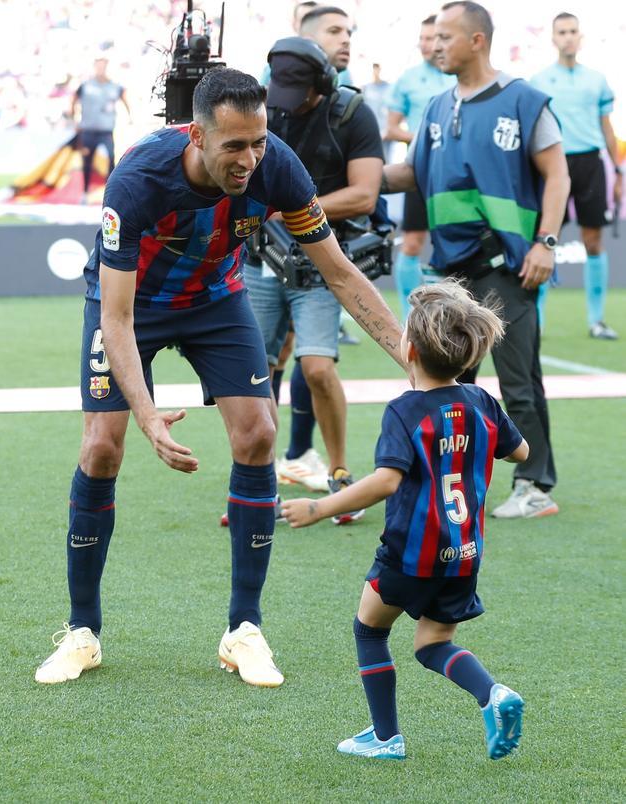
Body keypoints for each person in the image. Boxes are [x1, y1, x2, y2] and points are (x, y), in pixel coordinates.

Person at [34, 68, 403, 688]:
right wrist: (148, 416)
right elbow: (118, 318)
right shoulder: (139, 177)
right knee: (102, 446)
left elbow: (339, 273)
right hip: (131, 305)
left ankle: (244, 631)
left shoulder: (277, 167)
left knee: (258, 433)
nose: (250, 159)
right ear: (196, 136)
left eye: (257, 141)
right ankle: (81, 632)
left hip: (216, 299)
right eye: (234, 146)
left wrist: (409, 355)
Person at [282, 281, 529, 761]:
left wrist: (317, 509)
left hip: (411, 553)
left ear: (409, 349)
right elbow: (521, 452)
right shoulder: (481, 402)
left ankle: (385, 737)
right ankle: (492, 695)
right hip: (464, 554)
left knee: (370, 630)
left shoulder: (405, 411)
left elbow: (385, 482)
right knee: (433, 643)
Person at [382, 1, 570, 520]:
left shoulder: (524, 101)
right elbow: (410, 174)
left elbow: (558, 174)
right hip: (452, 267)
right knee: (451, 383)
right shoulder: (437, 106)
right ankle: (454, 482)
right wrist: (352, 179)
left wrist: (546, 244)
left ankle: (534, 485)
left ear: (477, 40)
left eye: (444, 36)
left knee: (517, 380)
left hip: (508, 263)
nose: (434, 44)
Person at [244, 34, 385, 520]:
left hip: (325, 261)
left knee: (318, 369)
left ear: (322, 83)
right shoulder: (267, 111)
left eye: (296, 90)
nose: (285, 103)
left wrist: (295, 208)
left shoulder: (354, 115)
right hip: (264, 259)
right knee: (254, 373)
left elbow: (365, 195)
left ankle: (340, 474)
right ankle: (257, 482)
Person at [530, 12, 622, 340]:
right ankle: (535, 321)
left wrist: (619, 170)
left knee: (593, 241)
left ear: (579, 36)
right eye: (562, 32)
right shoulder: (538, 81)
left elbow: (607, 129)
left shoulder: (597, 80)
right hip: (552, 165)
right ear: (553, 38)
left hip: (590, 164)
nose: (568, 37)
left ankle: (596, 321)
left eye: (572, 31)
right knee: (544, 239)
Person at [385, 15, 456, 320]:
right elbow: (391, 129)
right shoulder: (408, 78)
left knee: (453, 242)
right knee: (413, 243)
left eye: (436, 38)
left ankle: (453, 314)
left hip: (455, 175)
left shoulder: (457, 75)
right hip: (421, 172)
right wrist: (429, 137)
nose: (430, 44)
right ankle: (408, 316)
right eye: (425, 38)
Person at [70, 56, 131, 201]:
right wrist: (75, 120)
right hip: (88, 130)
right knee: (87, 162)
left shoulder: (115, 86)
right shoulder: (86, 85)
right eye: (98, 66)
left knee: (110, 160)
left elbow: (125, 100)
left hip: (106, 131)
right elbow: (73, 100)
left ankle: (110, 194)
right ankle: (85, 193)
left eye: (103, 66)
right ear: (94, 67)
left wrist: (130, 117)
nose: (101, 69)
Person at [363, 63, 393, 163]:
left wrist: (388, 129)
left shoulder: (390, 88)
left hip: (386, 132)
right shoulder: (366, 88)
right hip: (370, 131)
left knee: (386, 160)